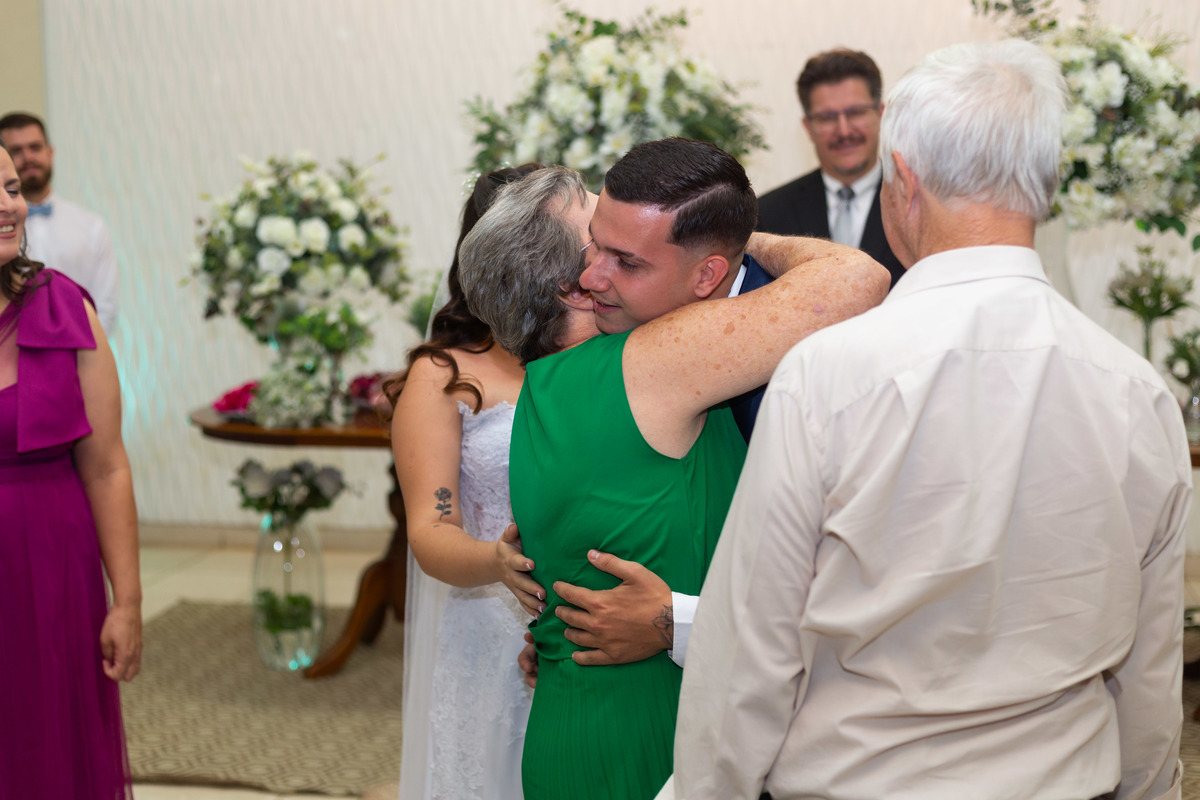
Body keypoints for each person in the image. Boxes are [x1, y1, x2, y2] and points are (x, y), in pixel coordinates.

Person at [670, 39, 1188, 800]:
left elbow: (751, 648)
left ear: (903, 181)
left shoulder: (828, 376)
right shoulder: (1138, 394)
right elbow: (1149, 670)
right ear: (1044, 186)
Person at [459, 145, 889, 799]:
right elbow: (855, 279)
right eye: (599, 242)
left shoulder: (544, 393)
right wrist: (737, 240)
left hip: (579, 725)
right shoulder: (642, 366)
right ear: (576, 285)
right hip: (635, 740)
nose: (608, 260)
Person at [387, 164, 544, 800]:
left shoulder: (599, 353)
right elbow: (431, 531)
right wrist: (497, 563)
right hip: (489, 627)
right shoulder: (443, 375)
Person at [0, 145, 141, 797]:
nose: (7, 205)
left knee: (46, 739)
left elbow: (107, 467)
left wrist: (128, 603)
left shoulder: (64, 308)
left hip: (49, 566)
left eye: (11, 189)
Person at [755, 48, 905, 288]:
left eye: (855, 113)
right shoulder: (767, 214)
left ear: (880, 115)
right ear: (808, 127)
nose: (844, 131)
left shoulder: (914, 203)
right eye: (826, 117)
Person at [0, 112, 120, 333]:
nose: (28, 158)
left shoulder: (92, 226)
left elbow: (105, 306)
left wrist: (81, 349)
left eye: (35, 147)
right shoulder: (5, 229)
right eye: (16, 151)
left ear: (50, 152)